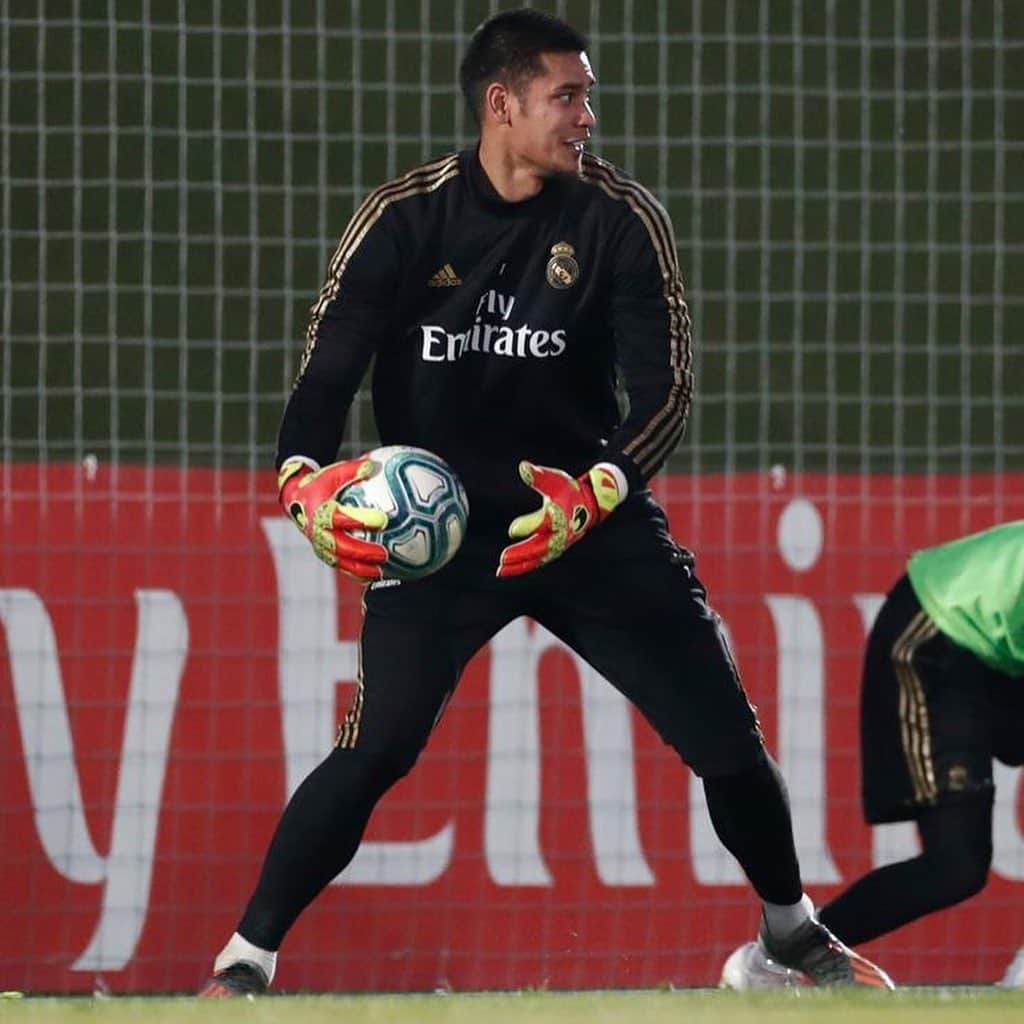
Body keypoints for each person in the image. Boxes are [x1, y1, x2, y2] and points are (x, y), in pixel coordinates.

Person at [198, 9, 892, 996]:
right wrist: (303, 485)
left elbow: (665, 394)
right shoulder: (405, 219)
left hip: (587, 521)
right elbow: (323, 381)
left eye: (588, 96)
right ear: (501, 105)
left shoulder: (618, 219)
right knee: (376, 746)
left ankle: (788, 937)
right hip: (438, 543)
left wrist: (598, 486)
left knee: (728, 743)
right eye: (568, 96)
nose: (586, 116)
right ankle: (244, 960)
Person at [721, 520, 1024, 990]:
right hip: (938, 633)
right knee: (957, 864)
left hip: (991, 653)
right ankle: (781, 960)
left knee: (959, 867)